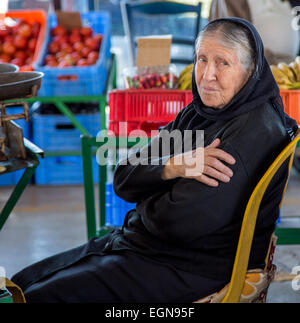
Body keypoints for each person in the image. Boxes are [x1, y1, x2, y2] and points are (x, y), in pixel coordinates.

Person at [11, 17, 297, 303]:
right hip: (149, 248)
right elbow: (123, 178)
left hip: (189, 267)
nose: (208, 74)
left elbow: (181, 222)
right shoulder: (199, 113)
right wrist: (172, 167)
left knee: (41, 297)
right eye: (201, 59)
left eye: (223, 63)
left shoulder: (249, 132)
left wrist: (145, 199)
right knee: (23, 283)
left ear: (251, 70)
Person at [209, 0, 300, 64]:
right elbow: (231, 44)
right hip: (264, 70)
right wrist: (278, 62)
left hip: (291, 69)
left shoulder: (290, 2)